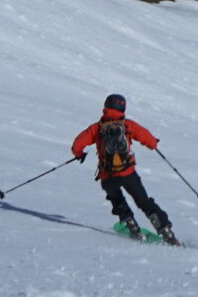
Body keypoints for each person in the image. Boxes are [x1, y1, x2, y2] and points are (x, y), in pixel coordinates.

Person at [71, 94, 176, 243]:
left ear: (105, 106)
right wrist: (153, 143)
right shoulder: (128, 125)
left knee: (117, 199)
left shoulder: (97, 128)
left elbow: (77, 144)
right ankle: (165, 231)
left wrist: (79, 154)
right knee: (144, 201)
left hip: (107, 175)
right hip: (128, 173)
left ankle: (131, 225)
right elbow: (147, 139)